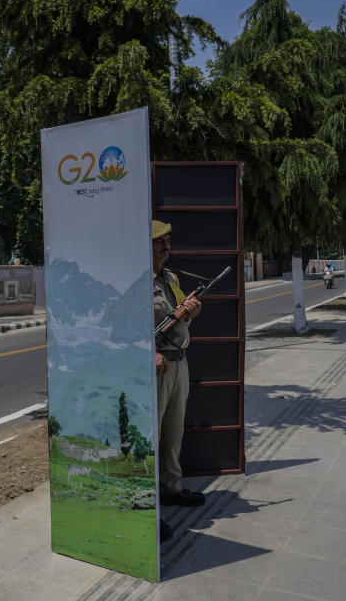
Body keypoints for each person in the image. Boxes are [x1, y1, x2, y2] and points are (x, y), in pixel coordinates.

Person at [152, 220, 205, 540]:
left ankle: (170, 488)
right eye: (159, 240)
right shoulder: (135, 281)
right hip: (155, 368)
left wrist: (193, 309)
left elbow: (181, 313)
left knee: (173, 433)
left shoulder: (170, 278)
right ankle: (147, 509)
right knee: (151, 437)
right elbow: (124, 326)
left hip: (179, 364)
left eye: (168, 240)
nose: (165, 245)